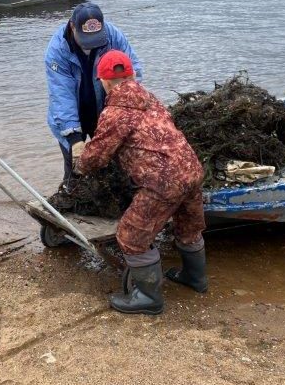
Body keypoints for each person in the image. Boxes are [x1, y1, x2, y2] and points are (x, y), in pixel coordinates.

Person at [76, 50, 207, 315]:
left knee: (131, 236)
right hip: (192, 171)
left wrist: (79, 163)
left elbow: (96, 157)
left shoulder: (115, 113)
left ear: (103, 81)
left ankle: (148, 298)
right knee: (189, 228)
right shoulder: (151, 99)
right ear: (132, 75)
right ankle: (196, 279)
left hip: (162, 183)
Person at [44, 2, 143, 196]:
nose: (91, 44)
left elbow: (133, 73)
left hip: (106, 112)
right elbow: (61, 95)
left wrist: (124, 113)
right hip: (73, 116)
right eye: (86, 39)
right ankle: (69, 205)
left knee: (118, 168)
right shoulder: (57, 50)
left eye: (95, 39)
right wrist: (74, 139)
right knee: (74, 174)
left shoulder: (113, 37)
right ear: (72, 26)